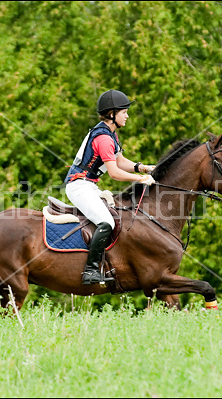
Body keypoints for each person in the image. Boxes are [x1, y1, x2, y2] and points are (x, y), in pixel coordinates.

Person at [64, 89, 156, 285]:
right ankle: (90, 271)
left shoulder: (110, 134)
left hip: (89, 186)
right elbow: (114, 173)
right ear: (112, 114)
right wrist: (140, 179)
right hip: (79, 186)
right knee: (107, 222)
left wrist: (144, 168)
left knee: (117, 215)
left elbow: (121, 161)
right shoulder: (104, 139)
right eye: (124, 112)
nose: (127, 116)